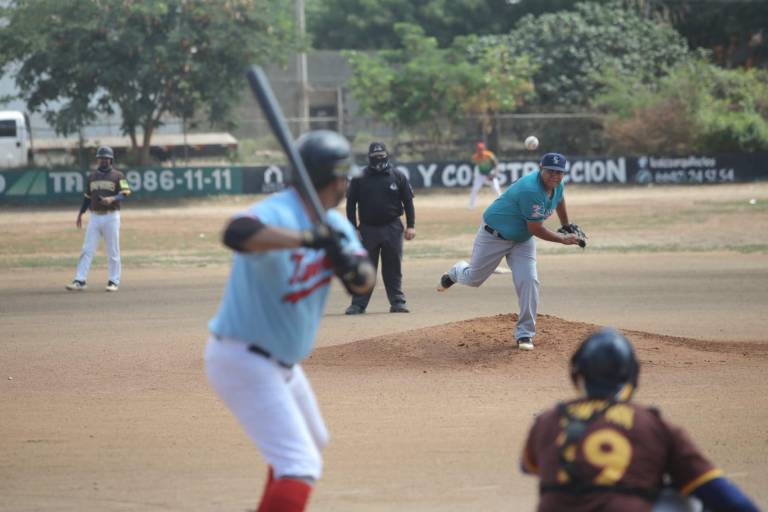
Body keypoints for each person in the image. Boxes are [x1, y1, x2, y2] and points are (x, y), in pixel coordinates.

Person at [205, 130, 375, 512]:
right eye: (343, 177)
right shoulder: (278, 212)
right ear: (332, 179)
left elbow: (364, 282)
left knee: (311, 442)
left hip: (281, 363)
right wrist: (306, 239)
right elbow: (235, 233)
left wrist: (345, 262)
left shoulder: (336, 226)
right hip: (242, 357)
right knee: (300, 465)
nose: (347, 184)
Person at [520, 327, 759, 512]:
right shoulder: (653, 425)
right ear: (633, 375)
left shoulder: (548, 421)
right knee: (682, 496)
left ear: (576, 373)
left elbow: (528, 466)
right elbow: (724, 496)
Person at [437, 152, 583, 351]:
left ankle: (525, 333)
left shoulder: (558, 184)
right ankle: (456, 272)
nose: (555, 176)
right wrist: (562, 239)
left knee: (529, 280)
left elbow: (559, 198)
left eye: (559, 172)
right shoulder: (531, 190)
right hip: (494, 235)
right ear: (541, 168)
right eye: (550, 171)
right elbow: (536, 228)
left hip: (522, 240)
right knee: (473, 279)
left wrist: (566, 224)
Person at [344, 142, 415, 315]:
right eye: (375, 157)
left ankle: (397, 302)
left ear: (387, 156)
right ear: (369, 158)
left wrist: (411, 226)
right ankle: (358, 304)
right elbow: (350, 204)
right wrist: (353, 228)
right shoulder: (359, 177)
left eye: (381, 156)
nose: (379, 160)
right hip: (367, 229)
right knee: (365, 268)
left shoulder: (397, 176)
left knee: (393, 267)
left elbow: (408, 202)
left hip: (392, 227)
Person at [65, 145, 131, 292]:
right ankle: (80, 280)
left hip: (111, 216)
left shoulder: (118, 175)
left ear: (111, 159)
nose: (102, 160)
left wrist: (112, 198)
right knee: (87, 249)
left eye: (105, 158)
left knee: (112, 250)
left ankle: (113, 281)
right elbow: (87, 197)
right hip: (94, 217)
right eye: (100, 158)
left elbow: (126, 192)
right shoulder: (92, 176)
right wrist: (81, 212)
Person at [468, 142, 501, 209]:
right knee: (474, 189)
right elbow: (472, 165)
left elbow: (496, 163)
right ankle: (472, 205)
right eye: (479, 149)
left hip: (490, 173)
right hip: (481, 175)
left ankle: (502, 204)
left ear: (484, 149)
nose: (480, 151)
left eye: (481, 149)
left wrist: (495, 173)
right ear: (477, 150)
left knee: (496, 189)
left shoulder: (489, 155)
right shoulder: (475, 157)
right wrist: (473, 174)